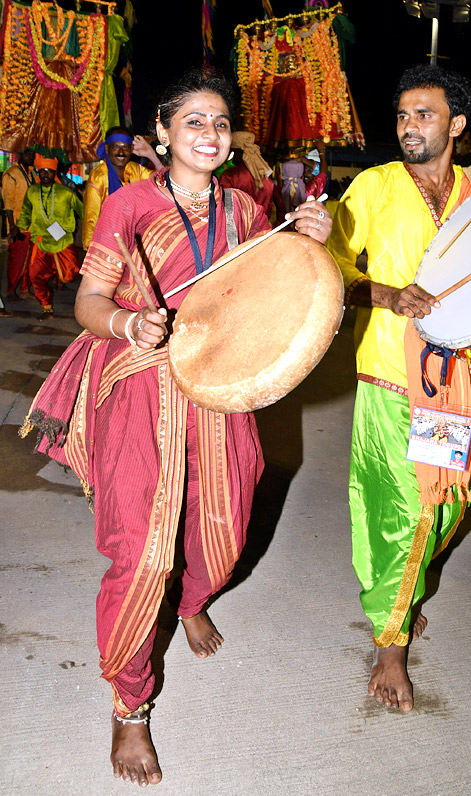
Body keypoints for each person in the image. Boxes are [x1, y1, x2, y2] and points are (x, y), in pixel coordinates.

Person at [20, 68, 331, 788]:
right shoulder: (128, 204)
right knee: (142, 550)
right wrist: (129, 321)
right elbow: (89, 300)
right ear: (161, 132)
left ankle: (193, 601)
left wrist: (314, 242)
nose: (210, 135)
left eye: (221, 123)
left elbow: (273, 291)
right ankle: (130, 708)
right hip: (138, 385)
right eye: (194, 121)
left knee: (223, 530)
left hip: (219, 389)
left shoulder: (248, 209)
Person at [326, 64, 471, 714]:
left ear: (456, 124)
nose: (408, 127)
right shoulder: (372, 186)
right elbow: (333, 272)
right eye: (402, 116)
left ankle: (400, 589)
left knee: (449, 503)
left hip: (459, 380)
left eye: (423, 115)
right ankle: (390, 644)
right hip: (390, 377)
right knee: (402, 508)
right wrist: (388, 294)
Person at [17, 154, 83, 319]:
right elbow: (25, 212)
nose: (46, 174)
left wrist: (94, 230)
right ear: (39, 173)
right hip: (39, 241)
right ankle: (47, 308)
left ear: (55, 173)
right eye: (43, 171)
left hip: (62, 240)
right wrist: (19, 229)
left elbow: (83, 210)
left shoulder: (66, 192)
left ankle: (57, 278)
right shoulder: (32, 191)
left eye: (49, 171)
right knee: (35, 275)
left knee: (71, 273)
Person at [82, 127, 163, 249]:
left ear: (131, 150)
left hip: (135, 242)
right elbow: (91, 219)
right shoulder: (98, 177)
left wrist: (150, 154)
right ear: (107, 148)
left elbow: (164, 180)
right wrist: (92, 251)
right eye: (116, 147)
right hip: (108, 245)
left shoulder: (136, 170)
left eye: (125, 147)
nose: (121, 152)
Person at [2, 148, 35, 303]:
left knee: (31, 260)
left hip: (33, 226)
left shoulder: (31, 173)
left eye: (32, 154)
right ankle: (11, 290)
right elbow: (8, 204)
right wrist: (12, 227)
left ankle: (24, 289)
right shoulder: (11, 174)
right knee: (17, 260)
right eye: (28, 154)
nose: (31, 157)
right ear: (19, 154)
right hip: (19, 226)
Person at [219, 131, 276, 218]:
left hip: (238, 228)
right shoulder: (265, 176)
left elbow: (224, 206)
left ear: (236, 152)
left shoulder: (230, 175)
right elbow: (269, 207)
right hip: (262, 227)